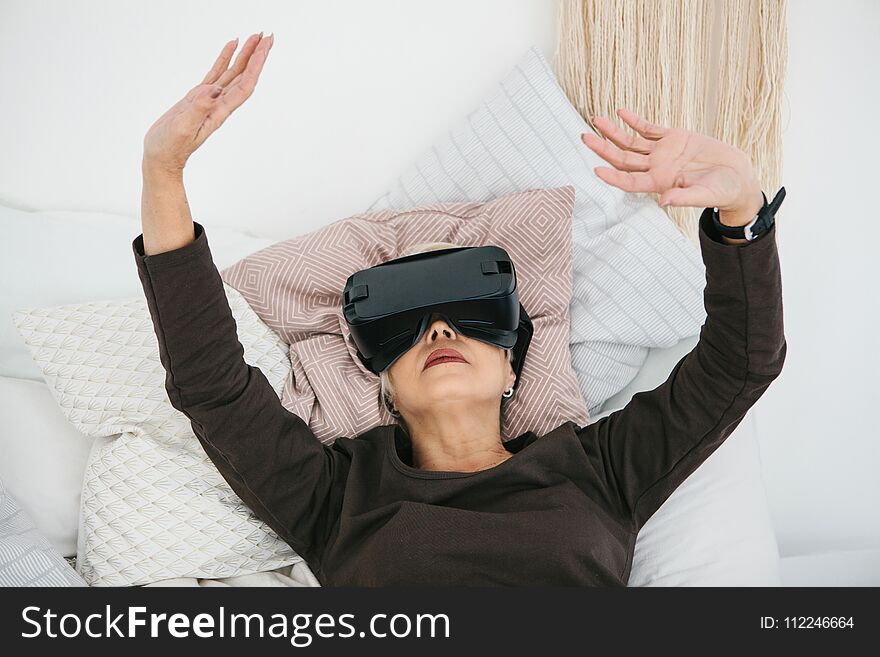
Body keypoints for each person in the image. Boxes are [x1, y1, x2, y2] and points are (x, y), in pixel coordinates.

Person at [134, 33, 787, 586]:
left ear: (512, 371)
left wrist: (740, 205)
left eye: (470, 320)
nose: (441, 327)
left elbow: (739, 365)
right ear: (385, 385)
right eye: (411, 328)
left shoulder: (599, 469)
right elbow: (212, 386)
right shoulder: (336, 499)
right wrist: (163, 172)